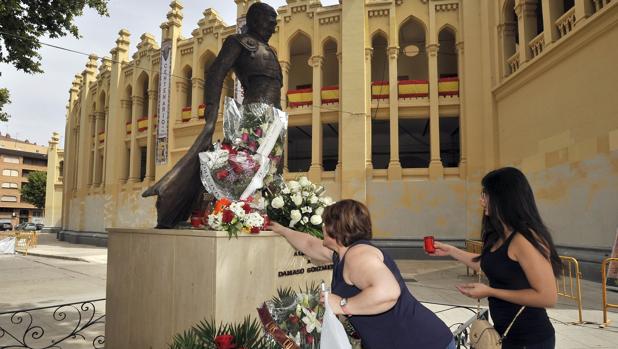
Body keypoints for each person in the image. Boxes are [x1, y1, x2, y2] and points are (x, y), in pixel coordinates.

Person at [143, 2, 282, 228]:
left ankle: (274, 217)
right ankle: (196, 205)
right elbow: (217, 73)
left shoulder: (271, 51)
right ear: (255, 19)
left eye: (274, 23)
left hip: (276, 118)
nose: (273, 27)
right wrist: (210, 115)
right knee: (238, 168)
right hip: (253, 115)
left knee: (272, 170)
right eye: (270, 21)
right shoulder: (238, 43)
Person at [271, 199, 455, 349]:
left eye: (326, 222)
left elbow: (388, 292)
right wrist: (282, 230)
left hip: (420, 343)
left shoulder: (358, 256)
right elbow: (310, 245)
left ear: (336, 227)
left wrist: (343, 305)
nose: (323, 227)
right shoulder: (342, 253)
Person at [430, 167, 560, 349]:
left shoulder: (524, 239)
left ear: (503, 198)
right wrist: (452, 251)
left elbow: (548, 297)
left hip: (530, 340)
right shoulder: (500, 234)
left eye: (485, 194)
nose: (481, 201)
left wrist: (490, 292)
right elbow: (490, 264)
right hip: (504, 334)